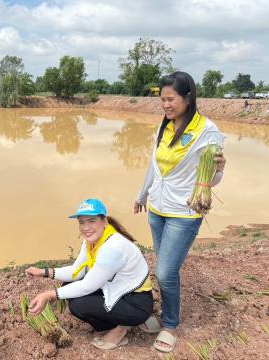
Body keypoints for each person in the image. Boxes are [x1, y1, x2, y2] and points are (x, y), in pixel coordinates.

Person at [134, 71, 226, 353]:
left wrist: (219, 168)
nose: (165, 105)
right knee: (164, 267)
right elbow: (154, 166)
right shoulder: (165, 127)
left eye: (170, 99)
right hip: (157, 209)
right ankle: (165, 312)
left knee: (165, 271)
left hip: (184, 212)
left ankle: (171, 324)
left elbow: (212, 180)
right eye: (162, 100)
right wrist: (141, 194)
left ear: (188, 97)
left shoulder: (207, 131)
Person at [26, 199, 153, 350]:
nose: (86, 228)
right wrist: (43, 272)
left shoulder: (112, 248)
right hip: (120, 289)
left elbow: (86, 286)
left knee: (78, 305)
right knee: (69, 287)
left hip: (136, 303)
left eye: (91, 221)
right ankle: (117, 319)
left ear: (104, 221)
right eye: (81, 222)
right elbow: (76, 271)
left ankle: (121, 328)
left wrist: (46, 295)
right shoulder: (92, 241)